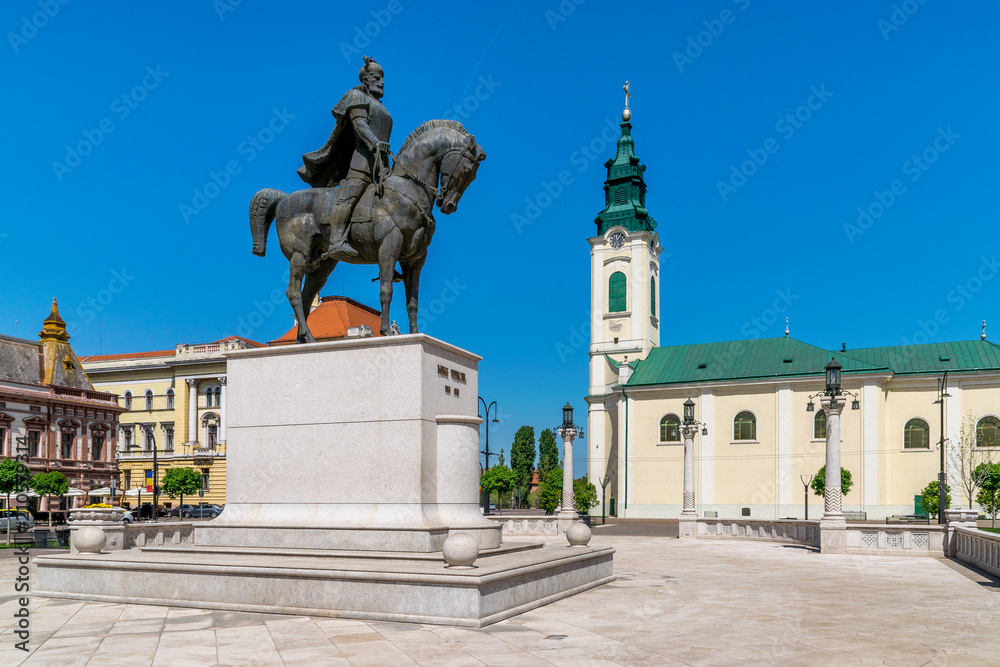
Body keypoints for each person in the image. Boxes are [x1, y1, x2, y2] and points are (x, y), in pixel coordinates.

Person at [298, 55, 393, 260]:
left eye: (382, 79)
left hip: (382, 165)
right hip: (362, 161)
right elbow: (359, 125)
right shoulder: (356, 96)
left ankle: (390, 251)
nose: (382, 82)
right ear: (365, 79)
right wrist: (374, 142)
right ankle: (336, 241)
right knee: (349, 197)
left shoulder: (382, 107)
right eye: (377, 78)